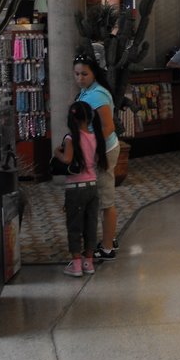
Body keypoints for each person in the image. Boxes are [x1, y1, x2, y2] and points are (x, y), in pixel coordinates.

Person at [71, 52, 121, 261]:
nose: (80, 78)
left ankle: (107, 247)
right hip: (96, 150)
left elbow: (108, 126)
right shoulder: (87, 92)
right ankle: (110, 238)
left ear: (94, 73)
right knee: (100, 197)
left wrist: (94, 149)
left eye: (84, 74)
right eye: (76, 74)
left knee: (105, 199)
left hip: (102, 152)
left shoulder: (97, 95)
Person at [57, 101, 108, 277]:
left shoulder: (71, 138)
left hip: (75, 188)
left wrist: (58, 153)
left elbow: (67, 159)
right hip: (92, 186)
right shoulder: (95, 138)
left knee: (74, 225)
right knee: (91, 224)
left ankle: (77, 265)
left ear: (72, 118)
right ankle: (89, 262)